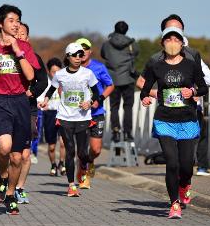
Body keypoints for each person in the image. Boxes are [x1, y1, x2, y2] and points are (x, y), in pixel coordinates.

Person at [0, 4, 40, 215]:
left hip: (20, 101)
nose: (15, 24)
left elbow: (31, 76)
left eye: (18, 20)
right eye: (11, 20)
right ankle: (3, 176)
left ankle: (10, 193)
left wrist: (17, 51)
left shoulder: (24, 47)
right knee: (4, 148)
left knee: (18, 157)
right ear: (0, 24)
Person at [136, 14, 210, 176]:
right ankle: (175, 187)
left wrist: (194, 91)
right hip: (167, 114)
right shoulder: (155, 59)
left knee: (189, 154)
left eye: (178, 30)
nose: (174, 35)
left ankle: (196, 170)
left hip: (190, 109)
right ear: (163, 35)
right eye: (170, 31)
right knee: (172, 159)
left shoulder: (193, 54)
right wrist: (156, 94)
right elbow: (141, 82)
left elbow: (205, 80)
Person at [140, 26, 207, 219]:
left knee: (186, 165)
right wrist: (145, 98)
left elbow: (203, 87)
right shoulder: (156, 66)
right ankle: (174, 203)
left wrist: (192, 92)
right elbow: (145, 90)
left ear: (182, 43)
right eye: (168, 39)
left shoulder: (191, 65)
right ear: (162, 43)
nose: (172, 42)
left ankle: (185, 184)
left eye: (176, 39)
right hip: (165, 120)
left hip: (187, 119)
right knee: (172, 162)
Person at [39, 42, 100, 197]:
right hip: (64, 117)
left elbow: (97, 93)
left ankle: (84, 166)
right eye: (75, 55)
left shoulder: (87, 74)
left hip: (83, 117)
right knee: (70, 150)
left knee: (82, 153)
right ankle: (71, 185)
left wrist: (90, 102)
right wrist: (46, 100)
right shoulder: (60, 75)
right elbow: (51, 89)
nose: (78, 58)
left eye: (81, 55)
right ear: (68, 56)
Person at [14, 22, 48, 204]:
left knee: (25, 155)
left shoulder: (35, 58)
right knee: (8, 153)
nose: (18, 36)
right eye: (15, 32)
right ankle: (5, 181)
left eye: (22, 34)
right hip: (7, 107)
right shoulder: (4, 58)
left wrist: (32, 91)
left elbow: (43, 82)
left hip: (28, 107)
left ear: (27, 38)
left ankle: (19, 188)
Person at [76, 38, 114, 185]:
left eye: (86, 49)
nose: (83, 52)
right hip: (79, 114)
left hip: (97, 112)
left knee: (96, 149)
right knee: (81, 147)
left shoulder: (99, 67)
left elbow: (110, 85)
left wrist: (100, 99)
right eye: (80, 49)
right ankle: (83, 172)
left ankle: (90, 161)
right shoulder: (72, 68)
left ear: (90, 51)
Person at [100, 21, 139, 142]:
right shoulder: (132, 44)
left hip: (113, 80)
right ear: (126, 30)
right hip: (128, 78)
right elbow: (136, 53)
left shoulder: (107, 44)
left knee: (114, 107)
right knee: (128, 107)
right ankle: (128, 133)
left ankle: (115, 132)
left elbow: (103, 55)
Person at [38, 57, 66, 176]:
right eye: (53, 71)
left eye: (58, 71)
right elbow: (39, 99)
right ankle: (53, 165)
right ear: (49, 71)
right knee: (52, 146)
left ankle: (62, 163)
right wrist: (41, 104)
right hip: (49, 114)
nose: (56, 74)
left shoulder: (65, 81)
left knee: (63, 142)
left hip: (63, 114)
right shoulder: (45, 82)